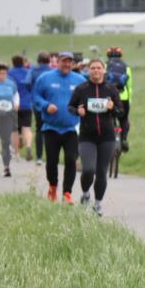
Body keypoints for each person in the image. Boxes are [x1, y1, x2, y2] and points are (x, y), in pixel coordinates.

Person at [69, 59, 123, 215]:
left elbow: (121, 111)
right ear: (89, 71)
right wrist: (77, 111)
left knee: (101, 172)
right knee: (88, 170)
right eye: (92, 68)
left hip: (107, 137)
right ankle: (85, 193)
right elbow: (70, 106)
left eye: (99, 68)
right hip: (87, 136)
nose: (96, 71)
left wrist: (113, 108)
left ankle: (98, 204)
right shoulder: (82, 89)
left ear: (104, 70)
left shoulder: (111, 89)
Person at [32, 52, 86, 203]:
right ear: (58, 62)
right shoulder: (45, 78)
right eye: (64, 61)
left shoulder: (80, 80)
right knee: (51, 161)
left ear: (72, 64)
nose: (66, 64)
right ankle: (53, 187)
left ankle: (67, 193)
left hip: (71, 128)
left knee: (71, 160)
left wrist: (83, 108)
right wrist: (45, 105)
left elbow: (86, 98)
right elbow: (35, 96)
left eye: (69, 62)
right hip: (51, 127)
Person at [105, 47, 132, 152]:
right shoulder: (126, 67)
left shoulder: (105, 65)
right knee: (124, 119)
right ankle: (124, 139)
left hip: (109, 97)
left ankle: (106, 139)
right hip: (123, 97)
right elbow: (129, 87)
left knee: (107, 118)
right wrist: (129, 100)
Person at [27, 51, 52, 165]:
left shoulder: (33, 71)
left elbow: (27, 83)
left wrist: (33, 92)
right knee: (51, 129)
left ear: (38, 60)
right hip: (51, 103)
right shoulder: (52, 71)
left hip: (37, 104)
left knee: (39, 129)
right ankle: (51, 155)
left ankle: (39, 157)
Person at [8, 55, 34, 161]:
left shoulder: (10, 73)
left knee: (15, 130)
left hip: (14, 104)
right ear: (23, 62)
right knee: (27, 127)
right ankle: (28, 146)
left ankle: (17, 153)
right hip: (27, 103)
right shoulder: (28, 72)